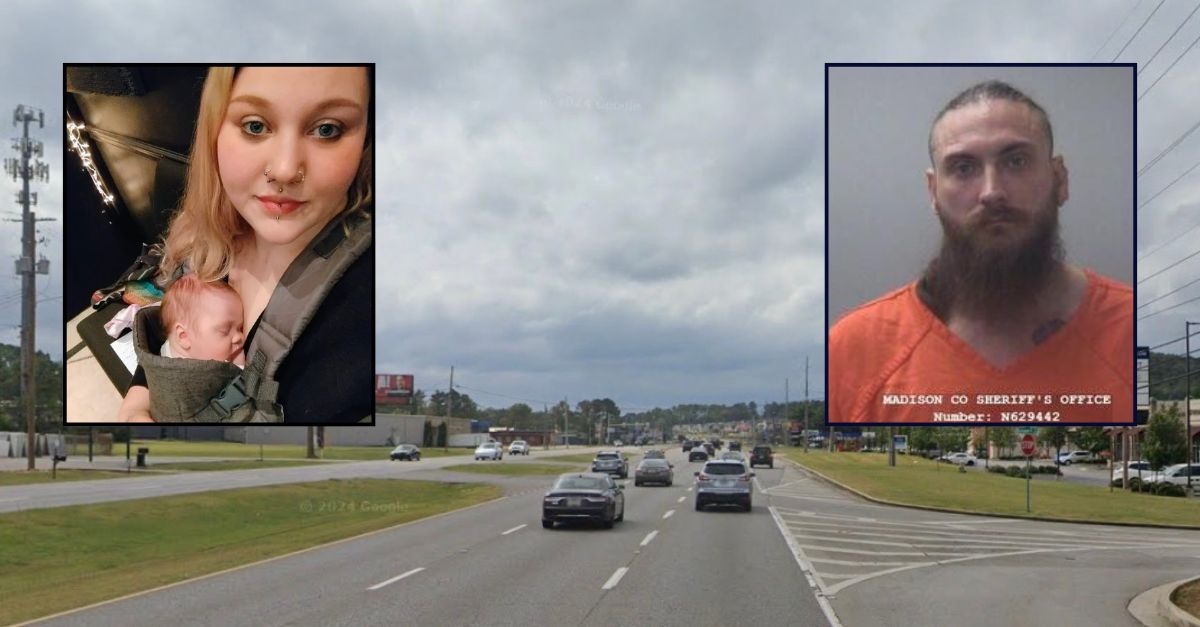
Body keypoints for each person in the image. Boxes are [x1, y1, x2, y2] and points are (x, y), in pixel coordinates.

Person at [828, 80, 1132, 424]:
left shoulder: (1130, 327)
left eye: (1016, 161)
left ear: (1059, 179)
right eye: (963, 168)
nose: (991, 192)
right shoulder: (854, 349)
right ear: (933, 192)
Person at [116, 65, 373, 424]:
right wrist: (136, 402)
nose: (284, 170)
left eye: (327, 129)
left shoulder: (365, 305)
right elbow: (174, 337)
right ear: (214, 132)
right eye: (255, 125)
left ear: (366, 143)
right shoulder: (199, 236)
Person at [159, 274, 246, 365]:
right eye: (225, 331)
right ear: (183, 336)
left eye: (239, 329)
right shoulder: (193, 376)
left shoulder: (173, 348)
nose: (240, 337)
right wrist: (239, 366)